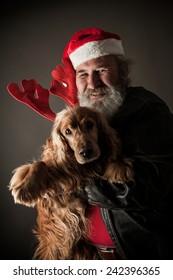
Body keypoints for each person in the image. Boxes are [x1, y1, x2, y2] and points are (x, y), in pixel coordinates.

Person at [7, 27, 173, 260]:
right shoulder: (82, 116)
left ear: (122, 72)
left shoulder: (147, 110)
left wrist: (64, 182)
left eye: (101, 70)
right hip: (88, 256)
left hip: (136, 255)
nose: (93, 83)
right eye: (82, 74)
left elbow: (142, 190)